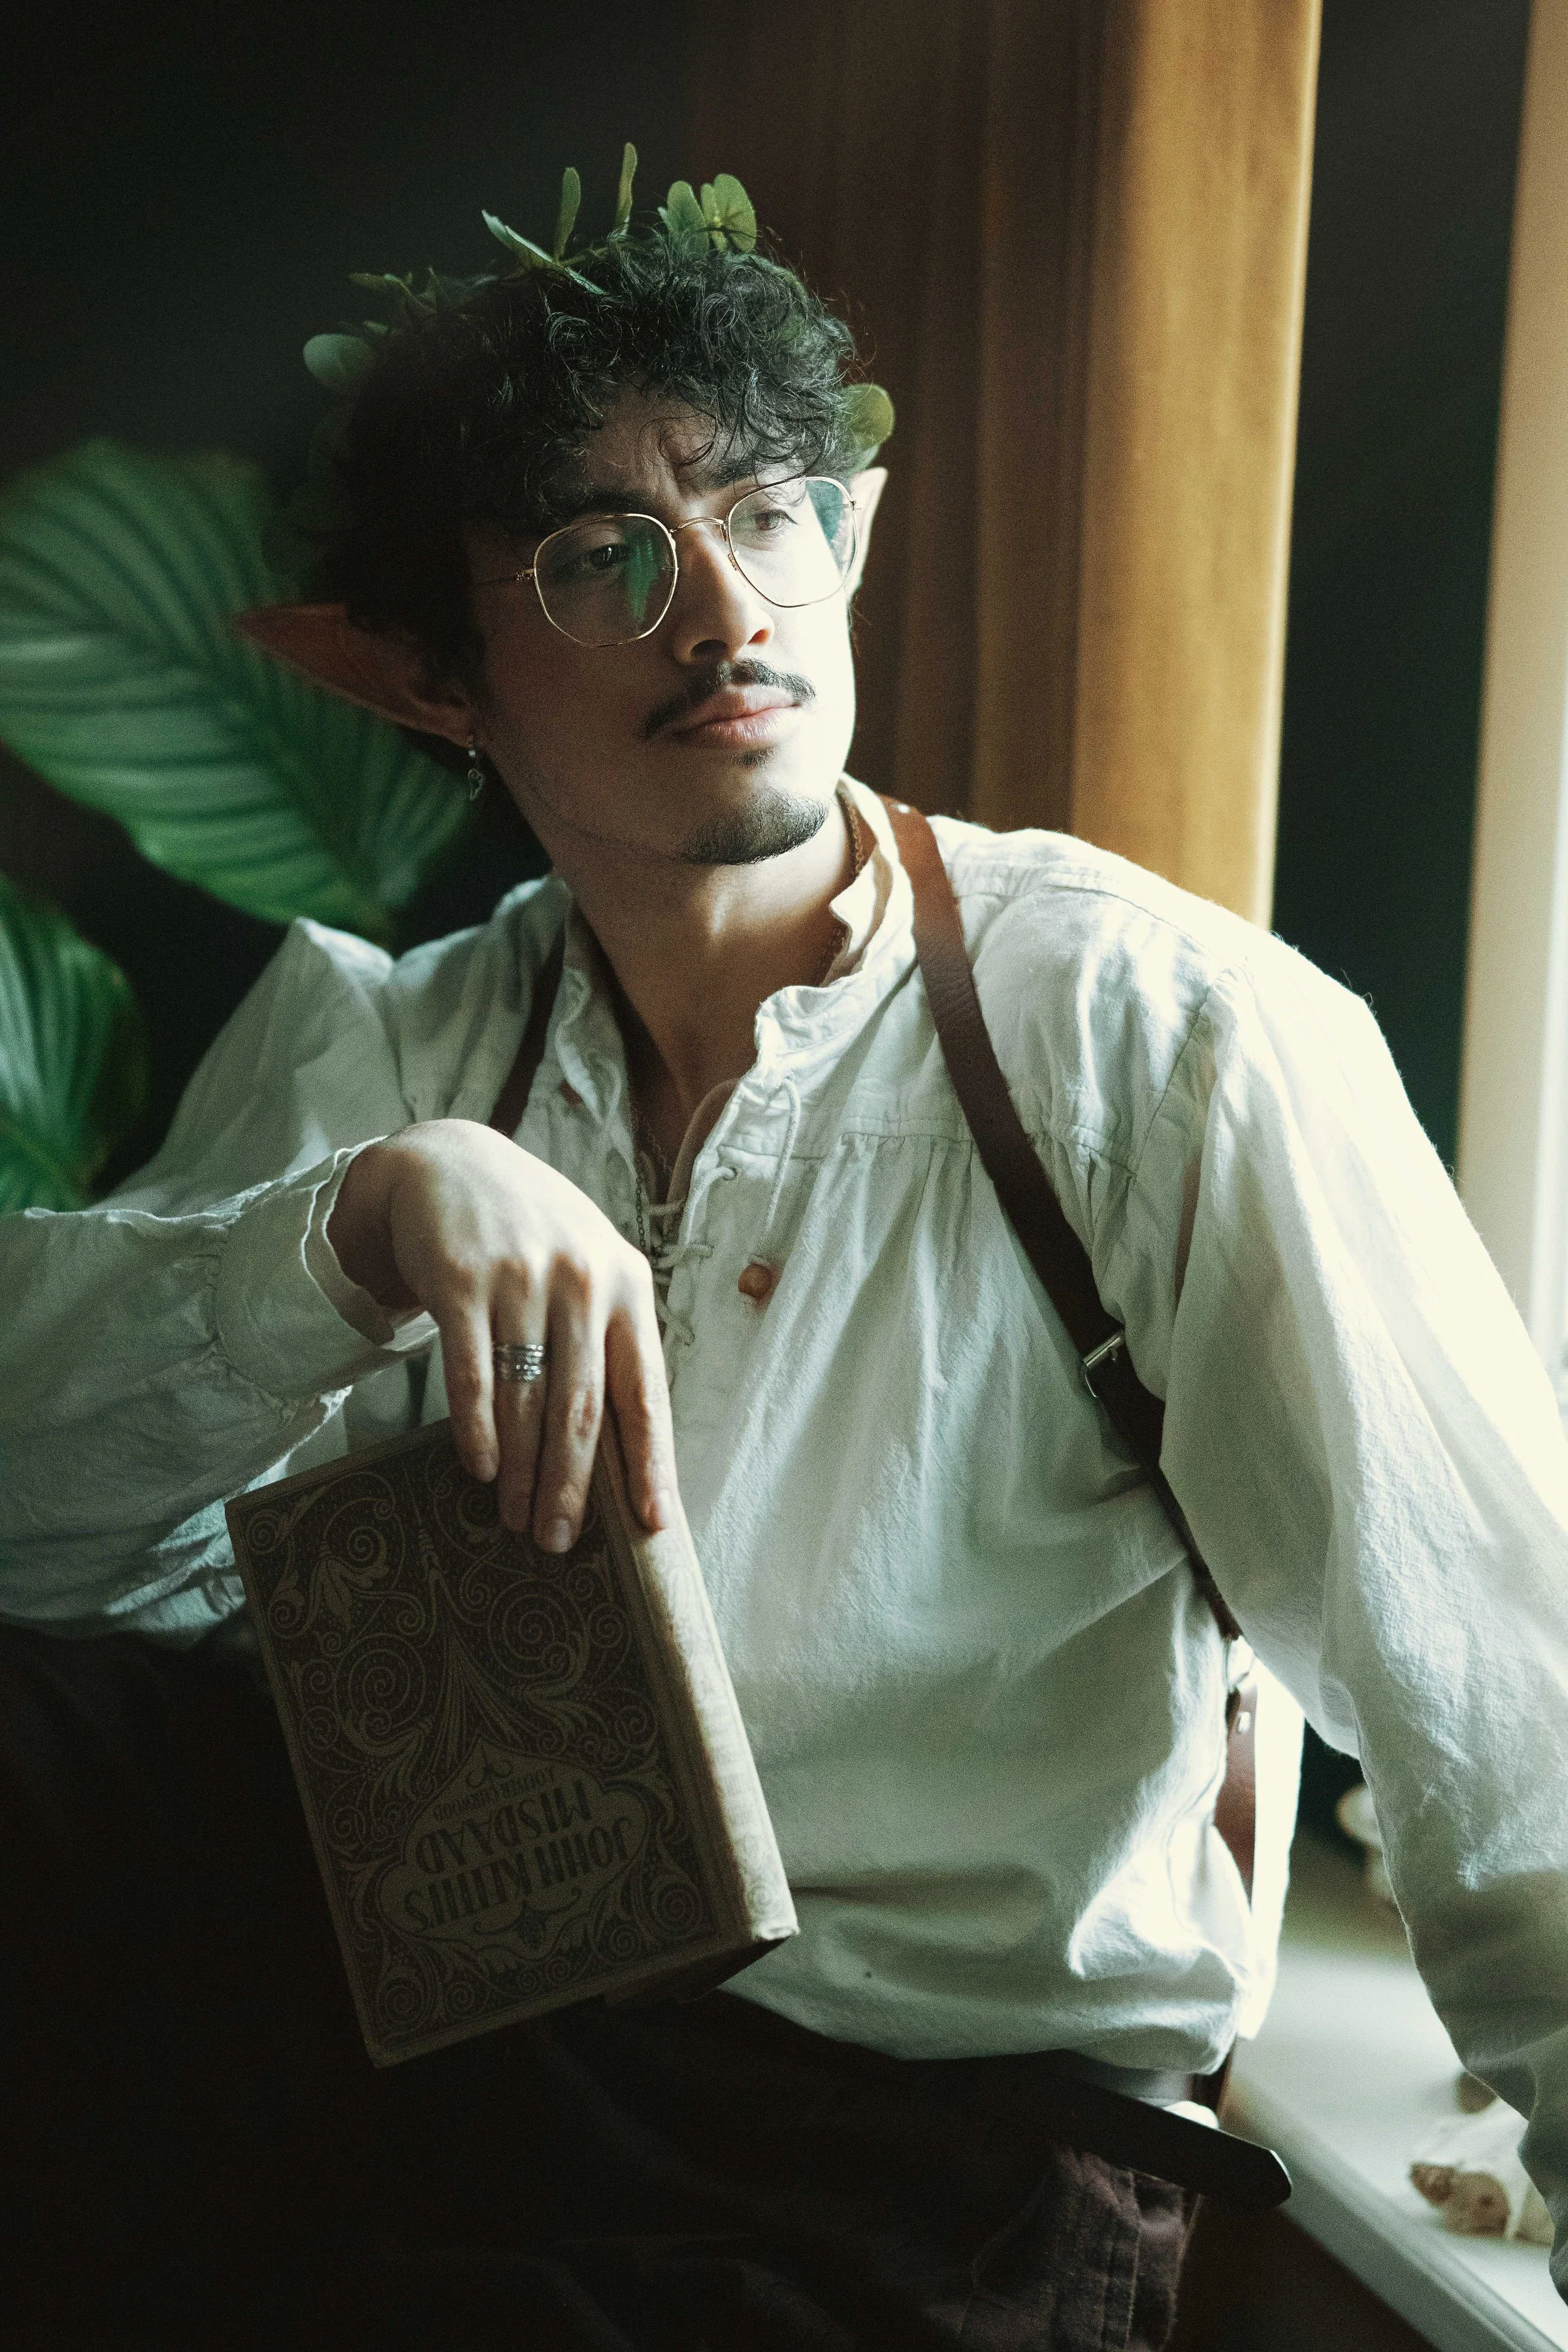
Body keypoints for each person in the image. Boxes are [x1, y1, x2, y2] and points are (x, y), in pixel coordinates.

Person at [4, 159, 1568, 2352]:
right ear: (440, 680)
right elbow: (34, 1520)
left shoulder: (1156, 1036)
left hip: (938, 2159)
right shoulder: (396, 1038)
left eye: (768, 509)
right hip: (459, 2079)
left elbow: (1510, 1702)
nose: (725, 613)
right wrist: (355, 1230)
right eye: (600, 557)